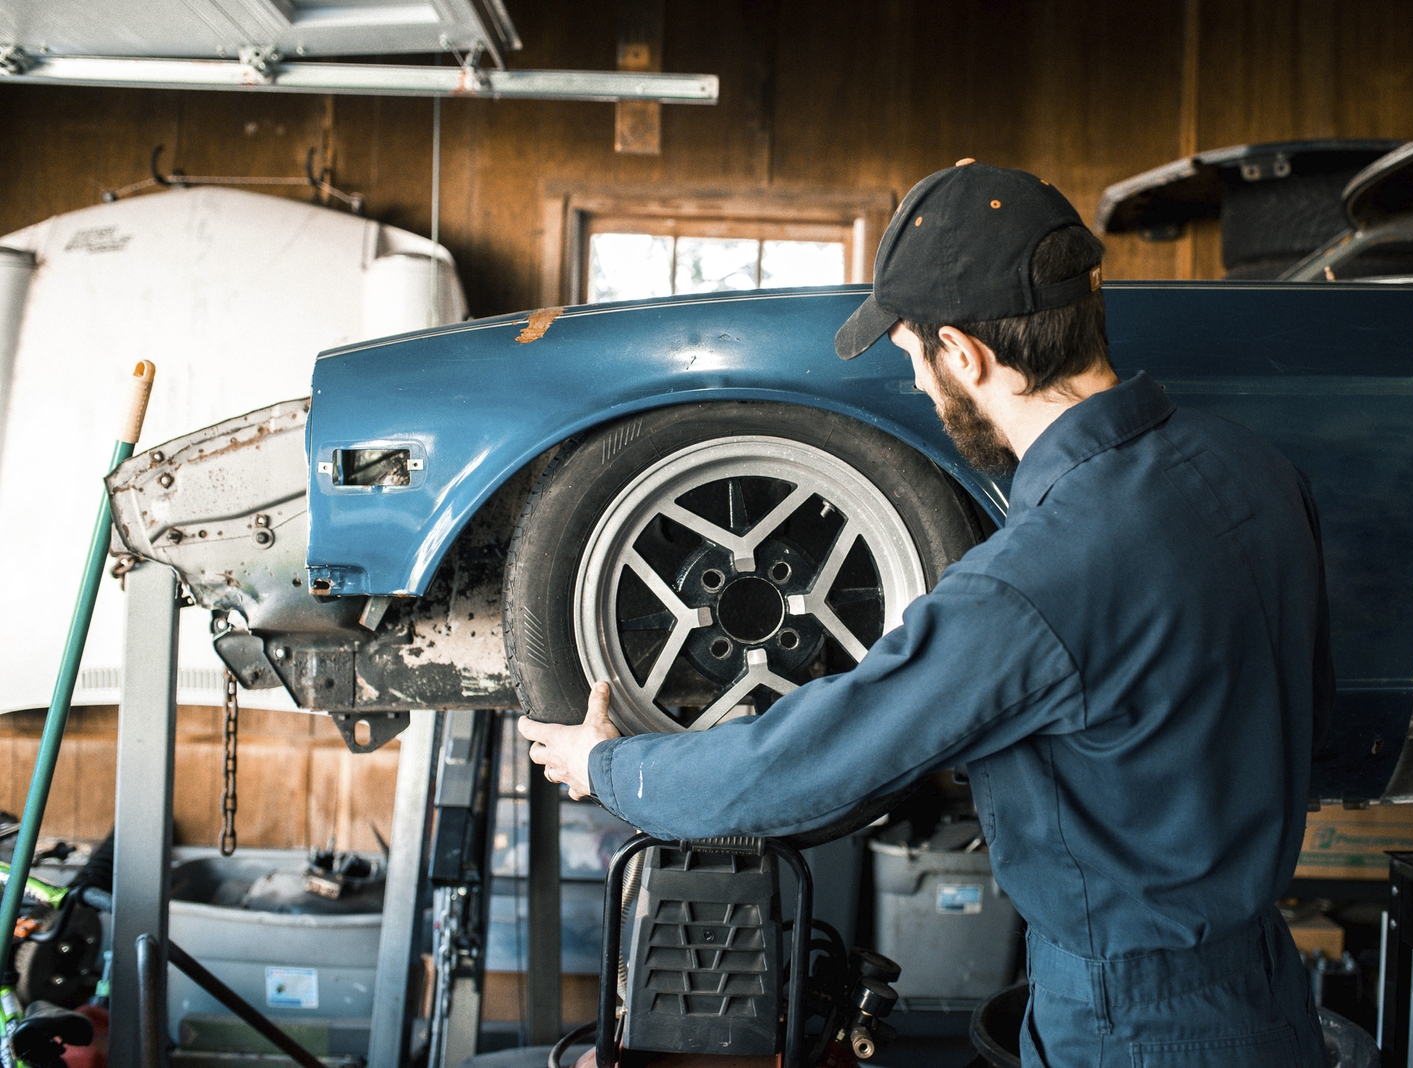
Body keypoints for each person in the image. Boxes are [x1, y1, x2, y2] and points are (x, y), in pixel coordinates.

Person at [521, 160, 1333, 1067]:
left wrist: (613, 767)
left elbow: (813, 762)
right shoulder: (1256, 471)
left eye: (912, 357)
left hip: (1133, 1021)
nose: (918, 384)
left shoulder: (1034, 581)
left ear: (966, 354)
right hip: (1264, 984)